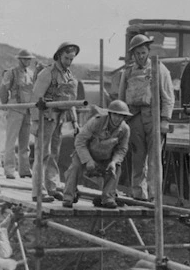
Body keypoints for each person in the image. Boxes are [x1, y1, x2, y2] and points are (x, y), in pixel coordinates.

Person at [118, 34, 174, 201]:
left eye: (143, 52)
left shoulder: (159, 69)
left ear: (148, 51)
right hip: (134, 119)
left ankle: (154, 196)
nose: (141, 56)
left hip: (154, 118)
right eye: (137, 54)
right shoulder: (127, 72)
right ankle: (138, 194)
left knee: (155, 159)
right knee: (138, 157)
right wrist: (122, 121)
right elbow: (121, 98)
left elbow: (168, 97)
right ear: (133, 55)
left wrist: (165, 119)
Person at [30, 42, 80, 202]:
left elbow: (70, 99)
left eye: (71, 59)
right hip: (46, 117)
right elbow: (35, 98)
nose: (69, 62)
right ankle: (38, 191)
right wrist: (36, 122)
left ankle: (51, 187)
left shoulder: (69, 76)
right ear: (59, 55)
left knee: (53, 154)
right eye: (66, 58)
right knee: (42, 154)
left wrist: (75, 121)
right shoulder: (47, 73)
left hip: (59, 118)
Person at [62, 100, 132, 209]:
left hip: (105, 159)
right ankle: (68, 196)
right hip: (85, 155)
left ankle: (108, 197)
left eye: (121, 116)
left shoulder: (125, 129)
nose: (117, 118)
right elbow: (79, 141)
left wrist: (114, 162)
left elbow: (122, 149)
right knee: (74, 167)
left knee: (117, 168)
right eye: (115, 115)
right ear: (110, 114)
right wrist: (88, 160)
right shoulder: (96, 122)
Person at [0, 49, 36, 179]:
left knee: (25, 143)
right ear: (19, 60)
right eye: (25, 59)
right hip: (15, 109)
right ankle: (9, 169)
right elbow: (3, 90)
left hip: (27, 110)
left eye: (29, 59)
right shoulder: (11, 73)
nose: (28, 61)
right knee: (11, 141)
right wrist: (5, 104)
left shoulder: (31, 74)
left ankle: (24, 169)